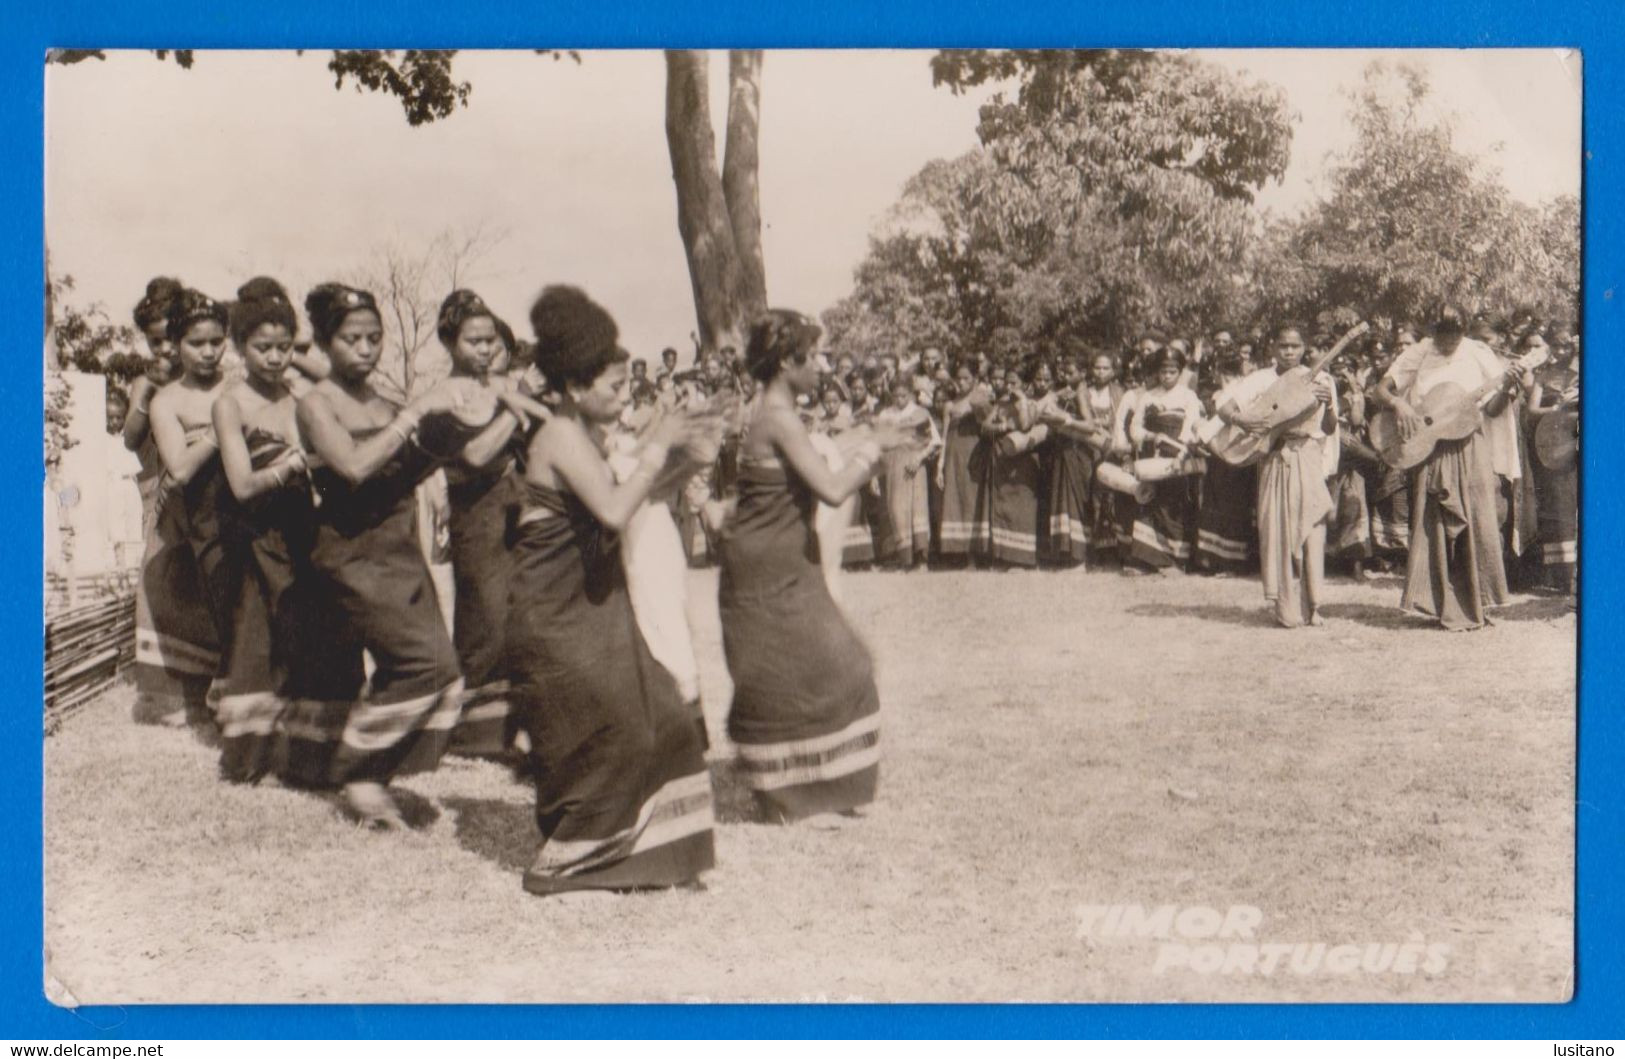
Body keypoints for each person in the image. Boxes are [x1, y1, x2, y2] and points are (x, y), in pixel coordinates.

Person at [506, 286, 716, 894]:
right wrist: (659, 442)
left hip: (593, 604)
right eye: (616, 388)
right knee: (616, 725)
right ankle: (568, 855)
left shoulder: (589, 435)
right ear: (574, 389)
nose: (626, 398)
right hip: (555, 615)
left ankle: (643, 853)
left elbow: (644, 492)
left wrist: (689, 453)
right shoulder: (560, 437)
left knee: (667, 715)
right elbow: (615, 509)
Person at [720, 309, 908, 824]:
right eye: (815, 356)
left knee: (837, 665)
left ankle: (823, 787)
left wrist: (864, 438)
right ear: (786, 362)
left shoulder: (776, 415)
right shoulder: (777, 419)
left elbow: (816, 467)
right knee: (814, 669)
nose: (824, 367)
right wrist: (875, 446)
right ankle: (787, 799)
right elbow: (829, 488)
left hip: (781, 560)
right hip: (768, 568)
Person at [294, 283, 467, 826]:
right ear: (324, 343)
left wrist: (444, 431)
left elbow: (403, 470)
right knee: (421, 662)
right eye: (351, 339)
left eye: (374, 338)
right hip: (353, 554)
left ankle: (368, 770)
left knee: (438, 667)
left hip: (398, 549)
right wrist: (413, 416)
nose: (366, 349)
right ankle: (360, 771)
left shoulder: (386, 402)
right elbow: (352, 467)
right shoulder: (315, 405)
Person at [208, 278, 324, 781]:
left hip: (302, 530)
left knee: (305, 638)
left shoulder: (300, 399)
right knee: (256, 642)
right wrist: (292, 466)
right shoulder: (230, 404)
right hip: (254, 534)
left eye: (284, 347)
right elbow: (242, 485)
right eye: (263, 348)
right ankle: (250, 759)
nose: (275, 358)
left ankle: (305, 755)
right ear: (238, 347)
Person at [420, 290, 542, 757]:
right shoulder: (440, 396)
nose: (487, 349)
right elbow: (474, 456)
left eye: (491, 339)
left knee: (522, 616)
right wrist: (518, 406)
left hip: (518, 509)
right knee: (485, 618)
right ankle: (475, 734)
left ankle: (520, 726)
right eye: (474, 340)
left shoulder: (501, 386)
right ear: (450, 343)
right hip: (477, 515)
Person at [1374, 306, 1527, 630]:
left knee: (1477, 521)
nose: (1448, 343)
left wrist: (1507, 387)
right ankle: (1437, 604)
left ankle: (1475, 605)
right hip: (1428, 448)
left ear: (1464, 331)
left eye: (1455, 336)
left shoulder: (1478, 353)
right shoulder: (1419, 352)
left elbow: (1495, 408)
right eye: (1442, 336)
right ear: (1434, 331)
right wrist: (1399, 403)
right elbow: (1381, 389)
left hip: (1470, 446)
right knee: (1433, 525)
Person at [132, 288, 231, 727]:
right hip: (186, 502)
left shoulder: (241, 383)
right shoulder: (161, 395)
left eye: (216, 341)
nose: (208, 352)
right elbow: (165, 458)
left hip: (245, 503)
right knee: (182, 591)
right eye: (195, 343)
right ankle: (182, 694)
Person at [1216, 325, 1340, 626]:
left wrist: (1329, 403)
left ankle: (1315, 605)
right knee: (1278, 531)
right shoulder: (1261, 379)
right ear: (1273, 348)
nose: (1289, 352)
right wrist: (1242, 419)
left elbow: (1329, 428)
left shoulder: (1322, 378)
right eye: (1283, 346)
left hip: (1307, 458)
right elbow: (1223, 406)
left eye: (1295, 346)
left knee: (1312, 528)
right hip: (1273, 459)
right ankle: (1285, 608)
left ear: (1304, 348)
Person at [1125, 348, 1202, 574]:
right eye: (1163, 371)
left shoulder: (1188, 396)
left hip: (1177, 456)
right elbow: (1135, 428)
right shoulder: (1148, 396)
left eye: (1172, 371)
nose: (1167, 376)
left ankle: (1173, 561)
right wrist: (1150, 436)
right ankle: (1147, 560)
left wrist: (1181, 453)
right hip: (1152, 456)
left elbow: (1191, 427)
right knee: (1149, 503)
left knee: (1173, 506)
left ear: (1180, 372)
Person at [1524, 330, 1578, 597]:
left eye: (1565, 345)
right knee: (1560, 506)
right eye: (1554, 345)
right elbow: (1532, 410)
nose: (1559, 351)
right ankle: (1564, 578)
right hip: (1556, 444)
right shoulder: (1544, 375)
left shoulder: (1588, 366)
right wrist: (1557, 409)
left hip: (1582, 442)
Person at [874, 382, 940, 568]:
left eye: (904, 395)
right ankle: (905, 559)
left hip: (914, 465)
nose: (900, 399)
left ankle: (921, 559)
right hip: (893, 466)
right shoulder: (886, 415)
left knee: (917, 509)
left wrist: (918, 459)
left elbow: (933, 441)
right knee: (897, 509)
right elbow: (878, 444)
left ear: (911, 394)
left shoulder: (920, 413)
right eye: (896, 396)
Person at [936, 364, 990, 564]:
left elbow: (987, 423)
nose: (962, 382)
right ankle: (958, 553)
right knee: (955, 500)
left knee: (972, 500)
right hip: (954, 456)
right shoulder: (950, 405)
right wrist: (940, 464)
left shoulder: (981, 399)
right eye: (959, 378)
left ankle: (975, 556)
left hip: (974, 454)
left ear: (975, 378)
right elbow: (944, 436)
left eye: (967, 378)